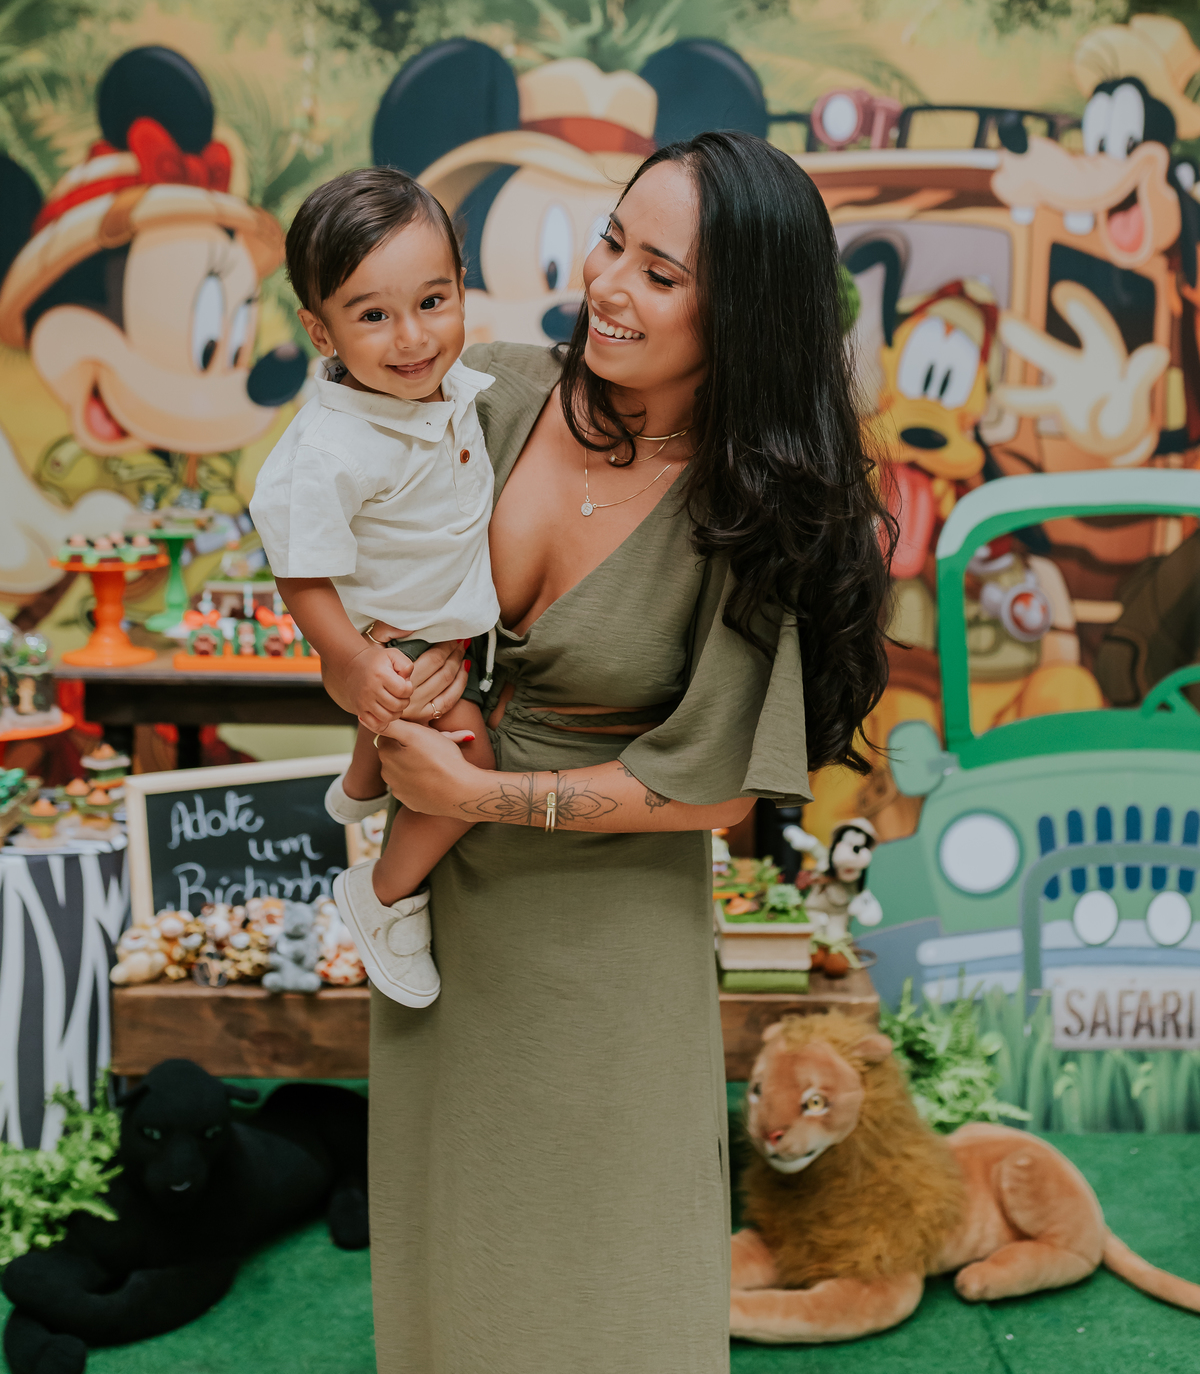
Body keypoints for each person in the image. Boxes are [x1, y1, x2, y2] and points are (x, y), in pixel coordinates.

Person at [317, 132, 894, 1374]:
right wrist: (370, 668)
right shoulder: (490, 390)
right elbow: (335, 537)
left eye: (662, 272)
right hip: (433, 919)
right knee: (453, 1251)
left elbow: (718, 794)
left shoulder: (752, 514)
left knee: (607, 1268)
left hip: (604, 933)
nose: (610, 284)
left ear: (745, 310)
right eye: (613, 241)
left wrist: (484, 791)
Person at [249, 167, 499, 1007]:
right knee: (472, 759)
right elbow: (300, 567)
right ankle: (383, 894)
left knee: (399, 700)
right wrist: (350, 661)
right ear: (321, 331)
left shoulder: (456, 386)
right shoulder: (329, 448)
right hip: (406, 638)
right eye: (372, 316)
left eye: (433, 301)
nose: (412, 339)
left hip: (445, 619)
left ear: (462, 286)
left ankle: (361, 783)